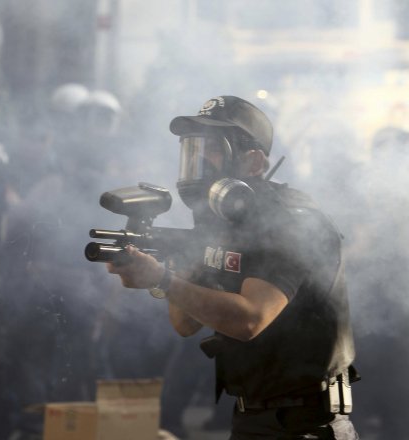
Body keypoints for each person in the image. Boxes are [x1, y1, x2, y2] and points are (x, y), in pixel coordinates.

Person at [106, 96, 360, 439]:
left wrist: (161, 278)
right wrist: (168, 268)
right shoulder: (220, 222)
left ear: (253, 161)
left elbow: (249, 320)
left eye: (212, 148)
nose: (199, 160)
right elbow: (184, 323)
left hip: (307, 424)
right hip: (250, 417)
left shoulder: (288, 219)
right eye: (192, 148)